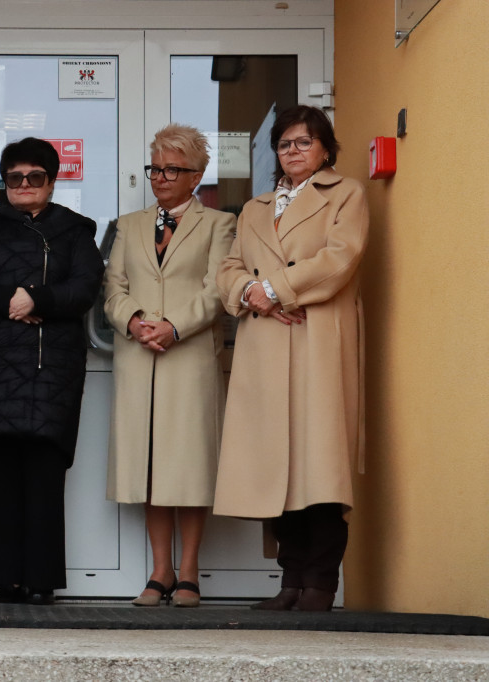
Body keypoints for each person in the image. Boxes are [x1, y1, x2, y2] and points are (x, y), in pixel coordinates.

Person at [213, 105, 368, 612]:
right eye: (285, 144)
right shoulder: (255, 207)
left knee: (319, 468)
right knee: (272, 467)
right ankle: (290, 581)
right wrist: (251, 292)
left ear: (325, 149)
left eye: (304, 142)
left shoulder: (346, 194)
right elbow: (229, 267)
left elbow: (340, 258)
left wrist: (276, 288)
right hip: (264, 345)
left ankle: (319, 584)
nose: (293, 151)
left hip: (315, 341)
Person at [0, 137, 104, 606]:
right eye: (14, 177)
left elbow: (85, 287)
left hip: (49, 366)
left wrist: (38, 299)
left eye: (35, 176)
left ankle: (39, 580)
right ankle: (2, 580)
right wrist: (7, 301)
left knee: (42, 470)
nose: (24, 184)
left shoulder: (74, 231)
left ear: (51, 182)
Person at [103, 125, 235, 608]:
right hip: (138, 358)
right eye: (155, 168)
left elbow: (218, 289)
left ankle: (189, 572)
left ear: (196, 176)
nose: (160, 177)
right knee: (150, 466)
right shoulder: (129, 225)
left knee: (190, 465)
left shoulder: (219, 224)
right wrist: (134, 320)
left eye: (172, 169)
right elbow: (113, 287)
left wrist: (174, 326)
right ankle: (160, 572)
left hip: (190, 358)